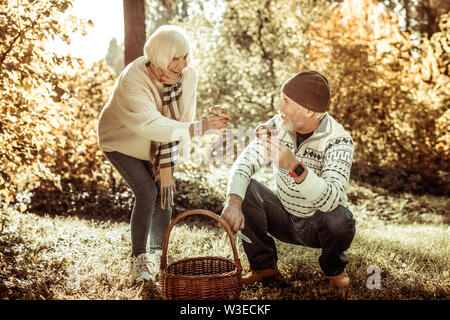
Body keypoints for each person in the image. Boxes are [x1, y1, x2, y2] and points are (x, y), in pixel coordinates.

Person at [97, 25, 229, 282]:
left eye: (185, 55)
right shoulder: (132, 79)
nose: (182, 64)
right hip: (122, 140)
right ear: (157, 56)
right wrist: (199, 128)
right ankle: (139, 260)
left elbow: (183, 116)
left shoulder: (188, 75)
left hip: (158, 143)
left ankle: (159, 255)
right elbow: (150, 124)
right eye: (174, 57)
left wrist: (170, 158)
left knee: (164, 192)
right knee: (147, 191)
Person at [221, 71, 356, 288]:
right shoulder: (278, 125)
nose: (279, 106)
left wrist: (294, 167)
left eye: (286, 101)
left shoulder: (339, 140)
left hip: (317, 225)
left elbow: (332, 199)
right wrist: (234, 201)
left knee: (339, 218)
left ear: (309, 110)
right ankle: (264, 266)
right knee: (245, 189)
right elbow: (247, 159)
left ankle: (333, 269)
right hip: (282, 215)